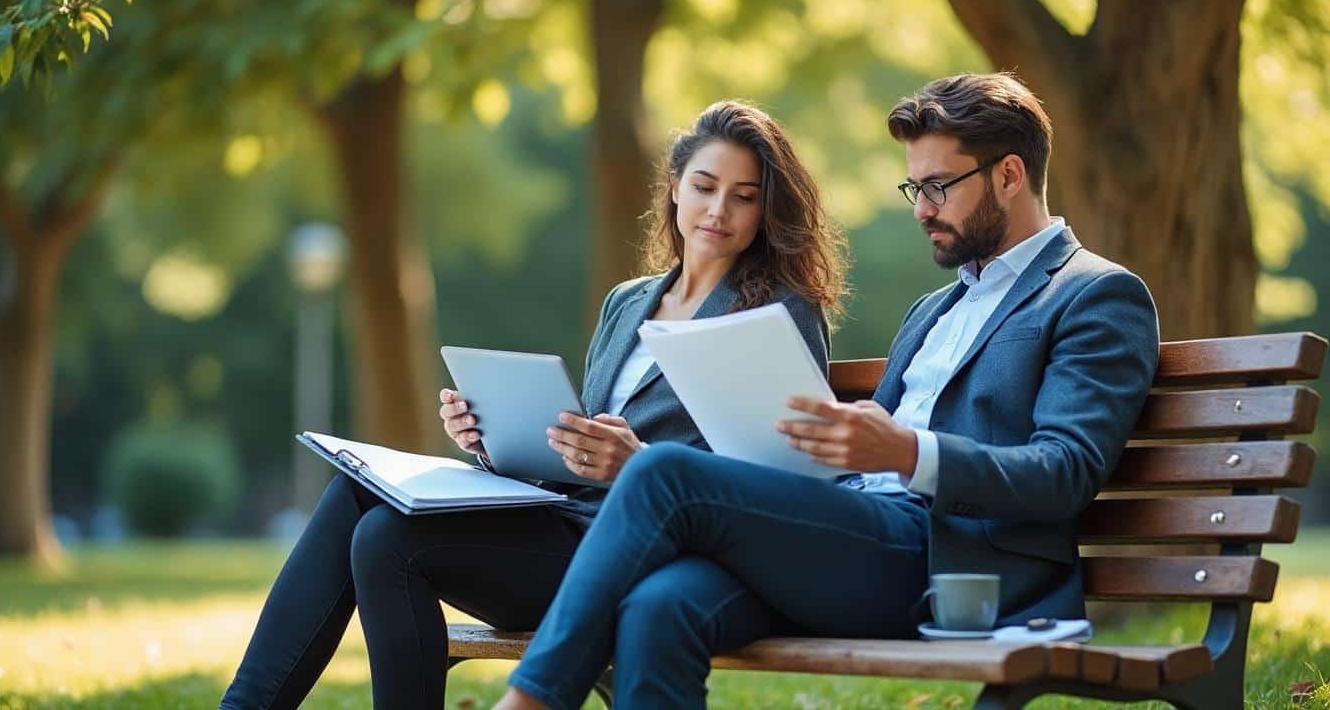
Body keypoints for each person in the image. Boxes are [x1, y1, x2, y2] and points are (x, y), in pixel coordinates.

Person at [492, 73, 1161, 710]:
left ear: (1009, 175)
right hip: (849, 541)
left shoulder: (1095, 295)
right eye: (914, 188)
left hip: (952, 569)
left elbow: (1065, 471)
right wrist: (832, 447)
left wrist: (905, 451)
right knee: (659, 605)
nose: (922, 208)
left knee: (664, 469)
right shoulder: (933, 310)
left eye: (938, 186)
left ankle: (532, 697)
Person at [218, 100, 850, 710]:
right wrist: (494, 440)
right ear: (675, 187)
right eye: (706, 186)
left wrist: (638, 463)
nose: (719, 209)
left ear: (767, 211)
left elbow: (782, 480)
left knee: (388, 539)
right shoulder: (628, 302)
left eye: (744, 196)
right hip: (565, 525)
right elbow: (575, 451)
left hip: (652, 553)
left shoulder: (779, 311)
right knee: (360, 495)